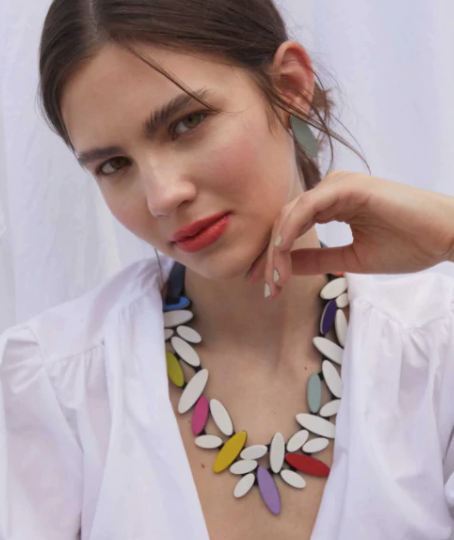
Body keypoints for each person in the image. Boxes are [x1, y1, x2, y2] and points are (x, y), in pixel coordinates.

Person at [1, 0, 454, 538]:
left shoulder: (436, 351)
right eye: (114, 164)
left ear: (290, 87)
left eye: (187, 122)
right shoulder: (57, 383)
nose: (162, 196)